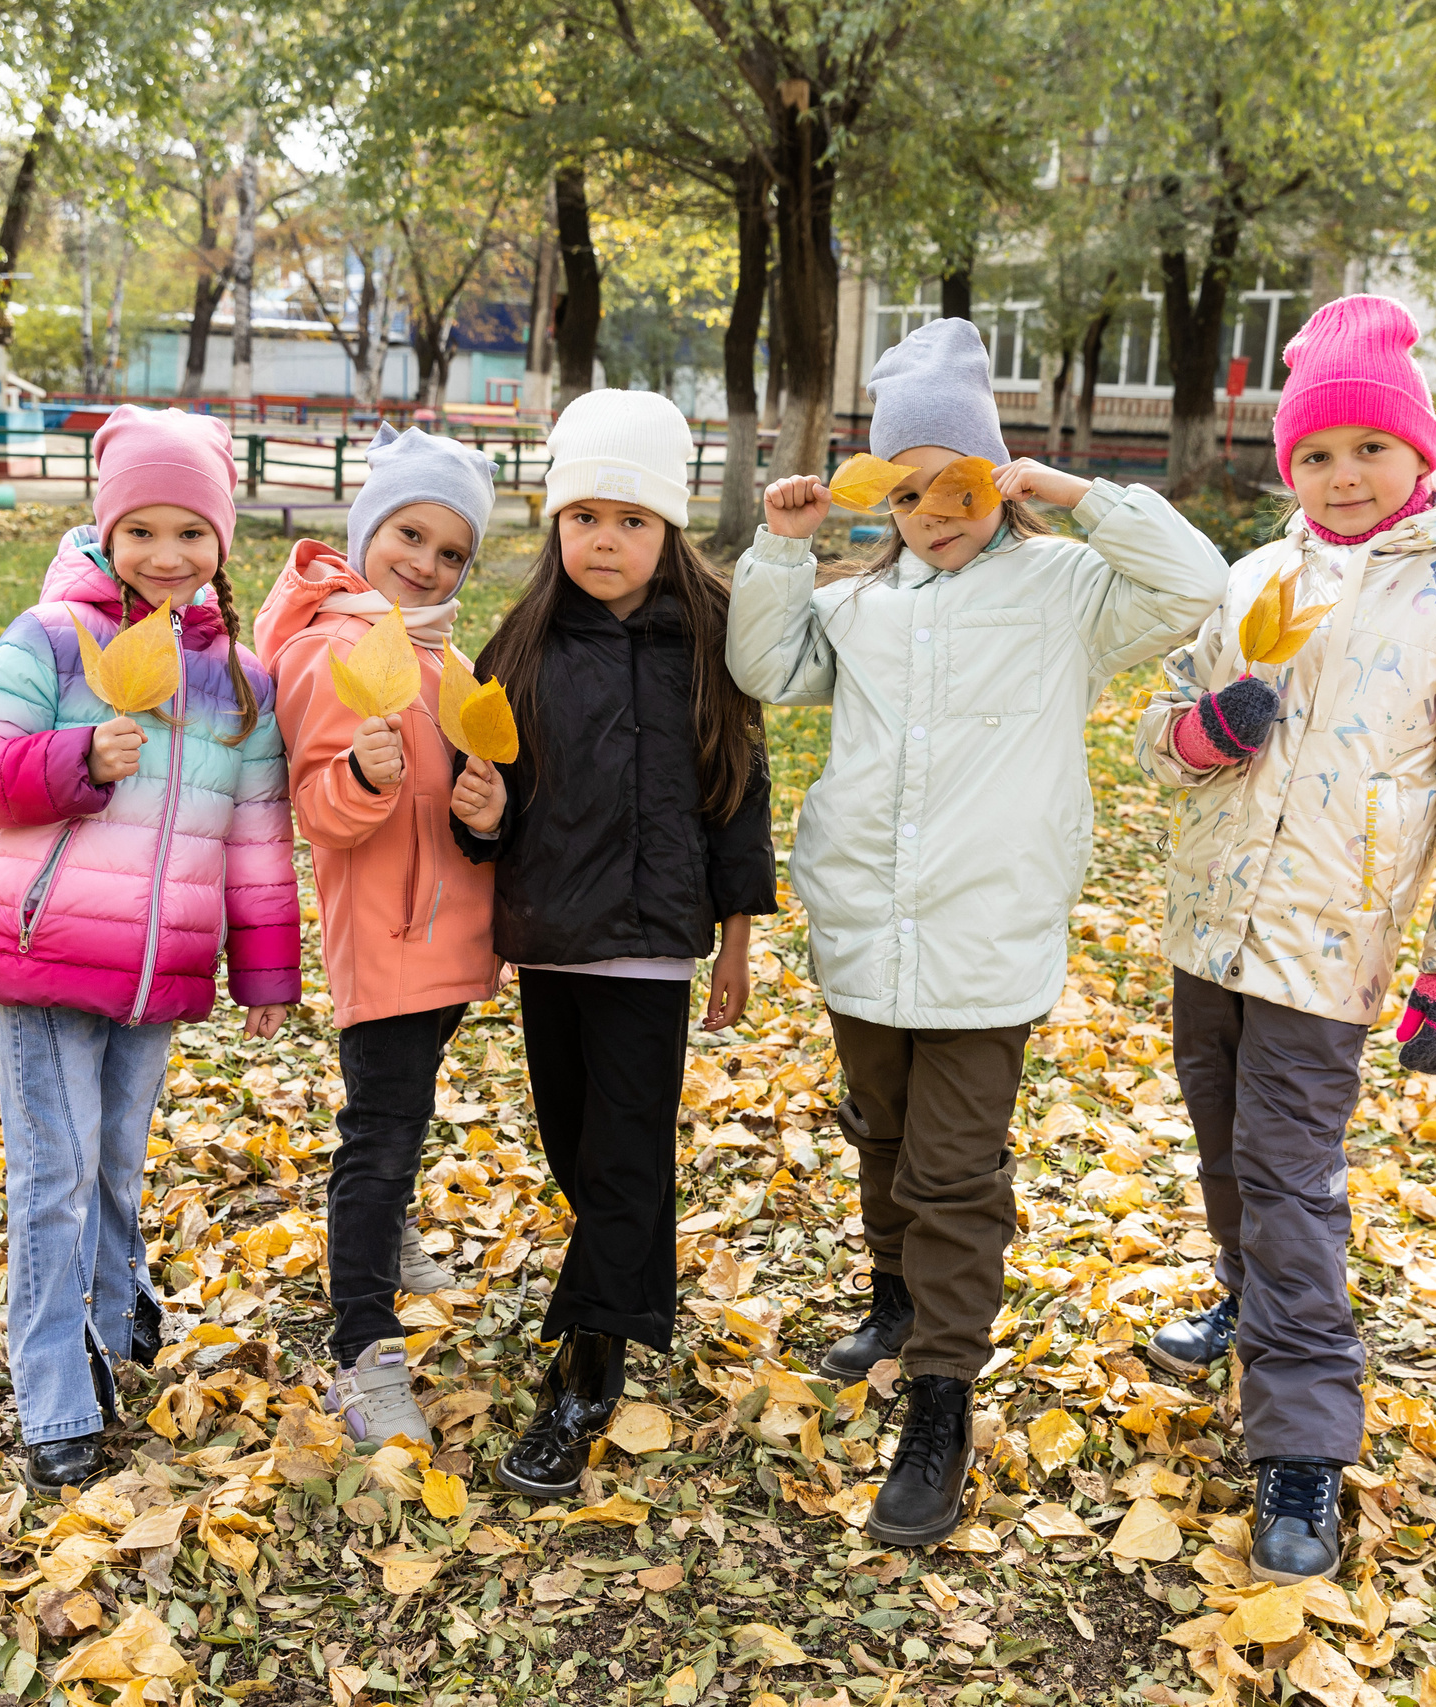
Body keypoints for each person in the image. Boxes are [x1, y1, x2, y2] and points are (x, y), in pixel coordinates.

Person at [727, 317, 1231, 1547]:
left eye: (953, 487)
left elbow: (1197, 584)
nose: (930, 515)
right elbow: (762, 665)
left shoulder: (1069, 592)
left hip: (984, 934)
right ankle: (896, 1299)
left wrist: (1075, 495)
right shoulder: (862, 608)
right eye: (903, 495)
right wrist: (782, 550)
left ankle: (940, 1401)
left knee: (955, 1171)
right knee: (884, 1137)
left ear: (994, 479)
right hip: (862, 923)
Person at [1131, 295, 1436, 1583]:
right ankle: (1247, 1299)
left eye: (1368, 447)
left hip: (1329, 945)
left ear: (1418, 450)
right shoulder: (1258, 578)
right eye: (1316, 454)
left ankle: (1298, 1435)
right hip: (1212, 930)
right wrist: (1201, 736)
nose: (1343, 475)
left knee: (1289, 1171)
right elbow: (1163, 725)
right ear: (1288, 465)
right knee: (1222, 1142)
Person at [0, 406, 300, 1492]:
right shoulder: (54, 638)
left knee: (117, 1161)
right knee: (55, 1174)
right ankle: (54, 1391)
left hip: (161, 965)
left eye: (191, 532)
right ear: (106, 532)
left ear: (221, 544)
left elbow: (256, 831)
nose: (166, 555)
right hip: (50, 951)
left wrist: (265, 968)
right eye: (140, 530)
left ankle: (112, 1304)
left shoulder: (240, 682)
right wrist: (74, 755)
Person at [455, 389, 777, 1499]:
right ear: (554, 524)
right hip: (552, 938)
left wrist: (735, 941)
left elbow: (738, 795)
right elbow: (489, 800)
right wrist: (482, 823)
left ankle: (587, 1372)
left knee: (624, 1157)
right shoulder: (521, 643)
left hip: (650, 947)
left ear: (668, 529)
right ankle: (625, 1302)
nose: (605, 538)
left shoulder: (713, 640)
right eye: (583, 515)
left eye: (630, 519)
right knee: (577, 1152)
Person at [254, 425, 507, 1448]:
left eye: (451, 552)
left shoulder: (440, 654)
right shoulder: (333, 652)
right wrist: (361, 775)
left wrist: (489, 811)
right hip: (387, 932)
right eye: (410, 533)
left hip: (450, 932)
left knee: (404, 1112)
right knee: (381, 1129)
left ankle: (392, 1230)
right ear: (367, 530)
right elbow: (320, 810)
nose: (427, 563)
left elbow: (468, 797)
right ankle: (364, 1349)